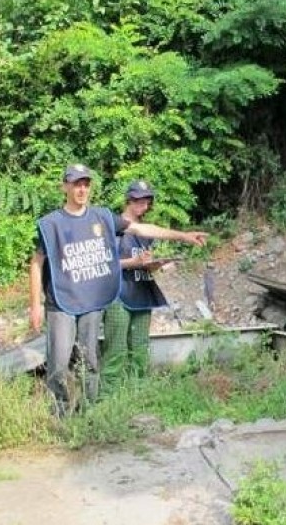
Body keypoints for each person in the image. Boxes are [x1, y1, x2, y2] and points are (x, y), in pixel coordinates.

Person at [29, 165, 207, 416]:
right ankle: (60, 414)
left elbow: (141, 229)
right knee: (58, 365)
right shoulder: (52, 224)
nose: (82, 189)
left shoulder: (102, 217)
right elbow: (37, 263)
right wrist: (35, 305)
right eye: (76, 184)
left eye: (86, 184)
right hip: (61, 301)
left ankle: (89, 413)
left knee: (90, 361)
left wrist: (183, 236)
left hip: (91, 301)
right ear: (65, 187)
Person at [101, 180, 170, 392]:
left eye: (147, 201)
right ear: (129, 200)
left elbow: (146, 262)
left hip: (142, 293)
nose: (144, 205)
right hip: (118, 295)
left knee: (140, 347)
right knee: (116, 349)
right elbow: (103, 264)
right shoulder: (112, 227)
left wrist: (155, 264)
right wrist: (133, 263)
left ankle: (137, 392)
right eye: (140, 200)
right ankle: (108, 396)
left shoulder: (146, 232)